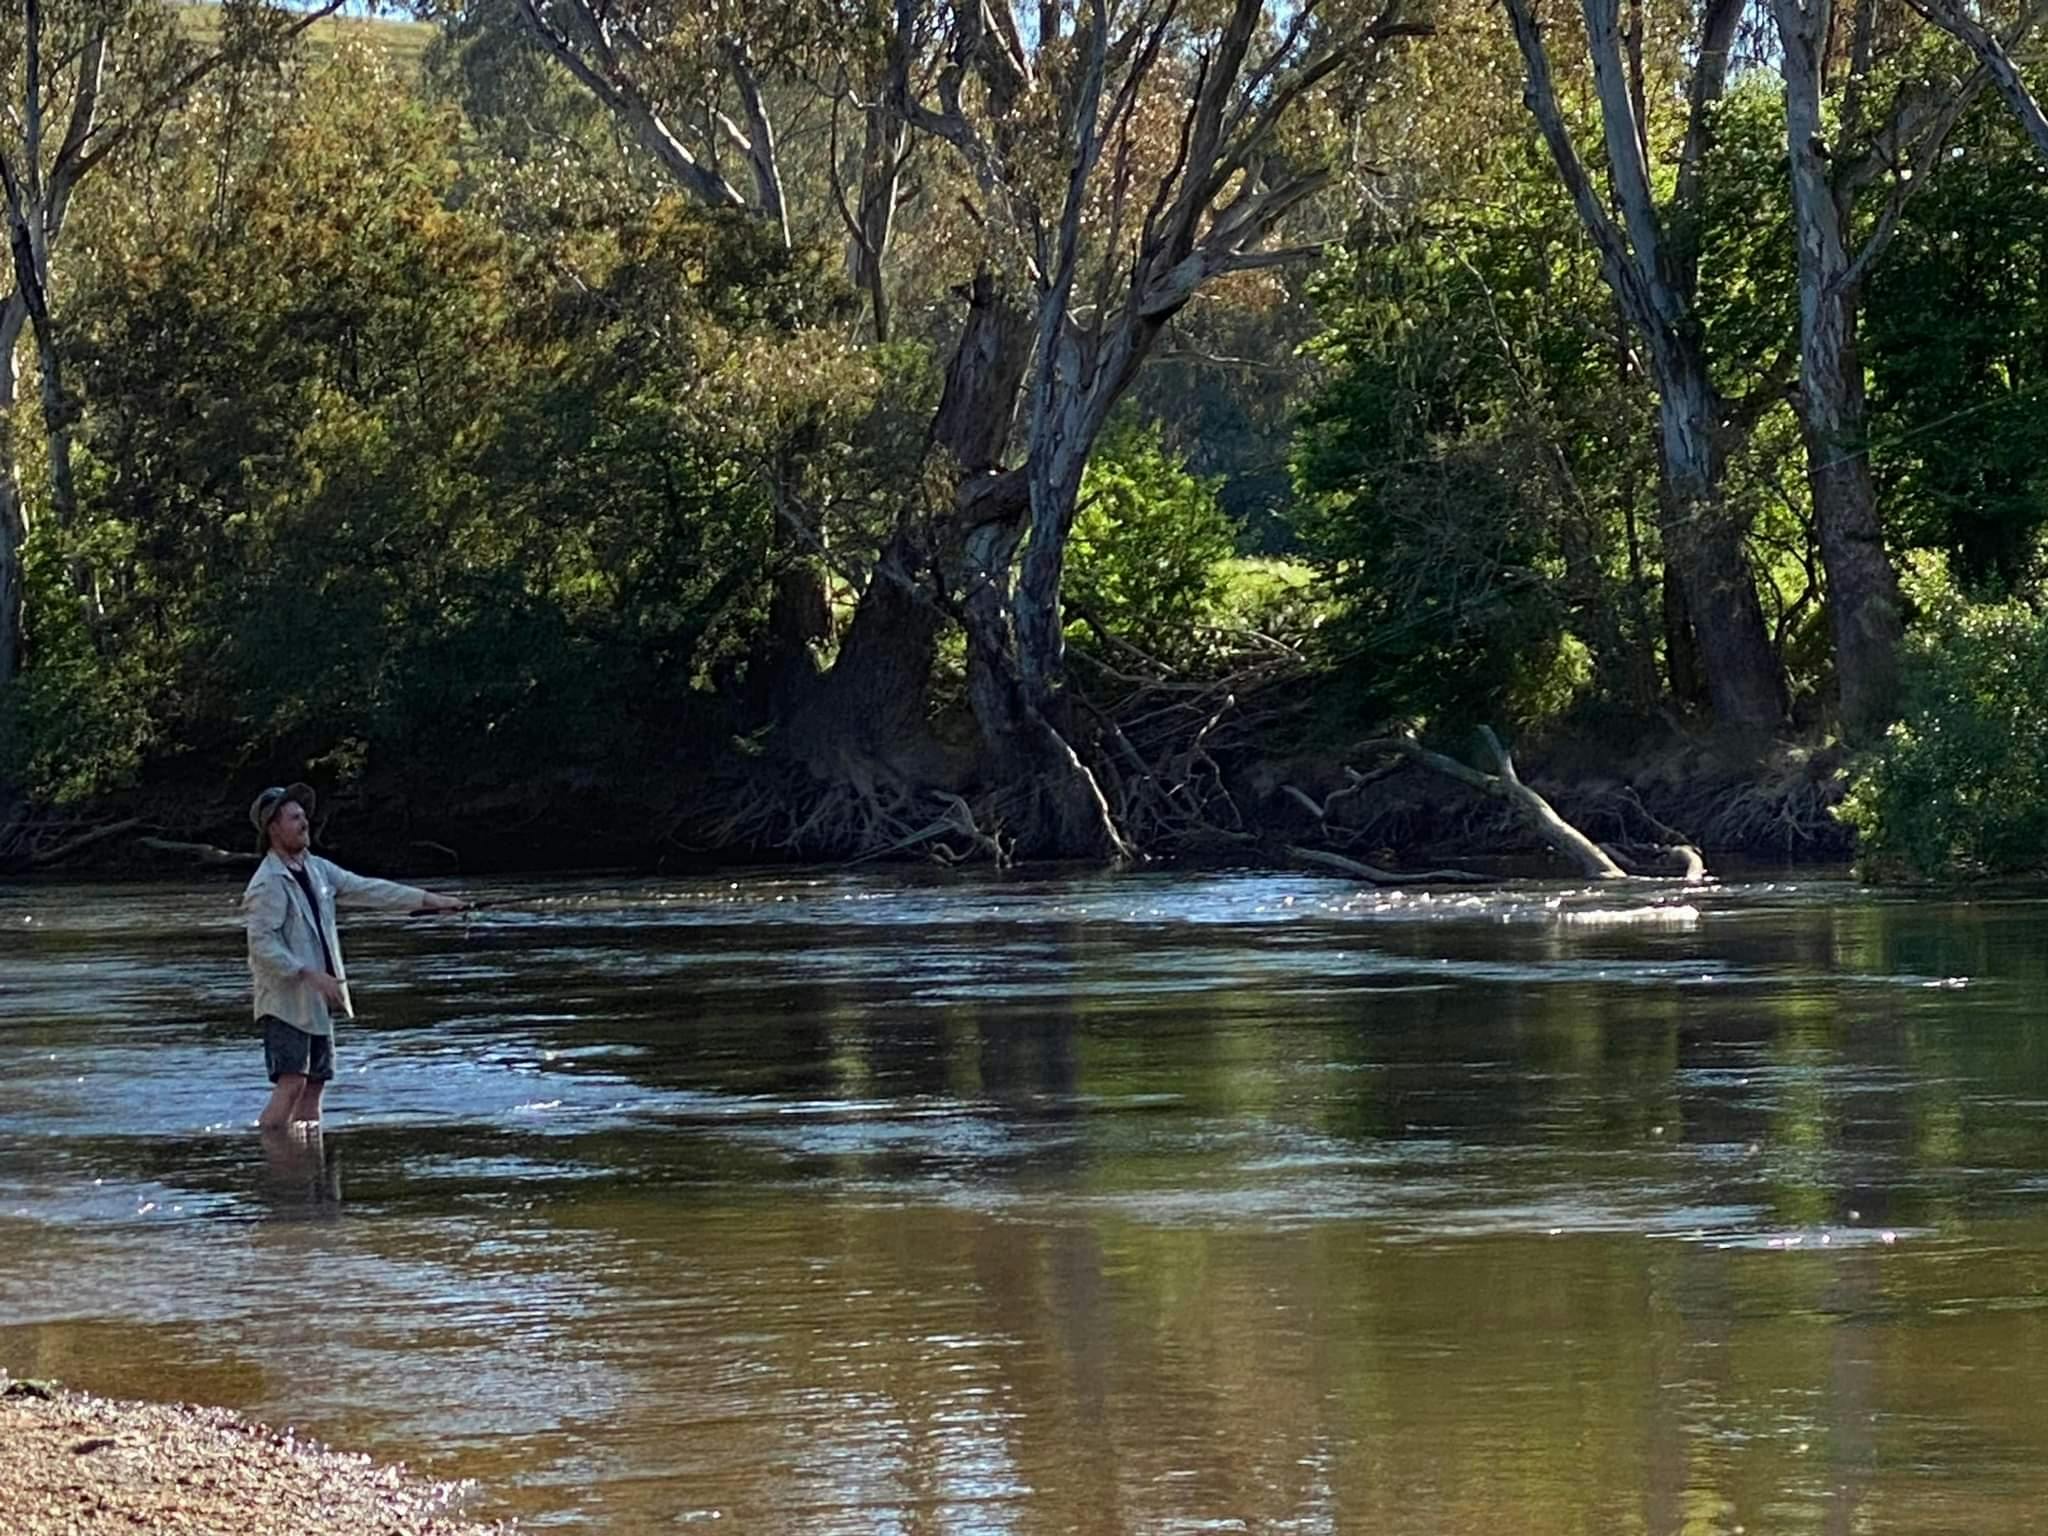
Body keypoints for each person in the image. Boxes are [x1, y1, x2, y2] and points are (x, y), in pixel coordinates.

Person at [244, 782, 464, 1130]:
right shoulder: (267, 883)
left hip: (316, 1002)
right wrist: (308, 973)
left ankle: (311, 1169)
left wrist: (433, 901)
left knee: (314, 1086)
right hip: (285, 1004)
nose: (304, 823)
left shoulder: (318, 869)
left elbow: (370, 889)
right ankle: (273, 1165)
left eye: (304, 816)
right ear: (274, 828)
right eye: (294, 818)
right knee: (292, 1085)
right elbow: (261, 945)